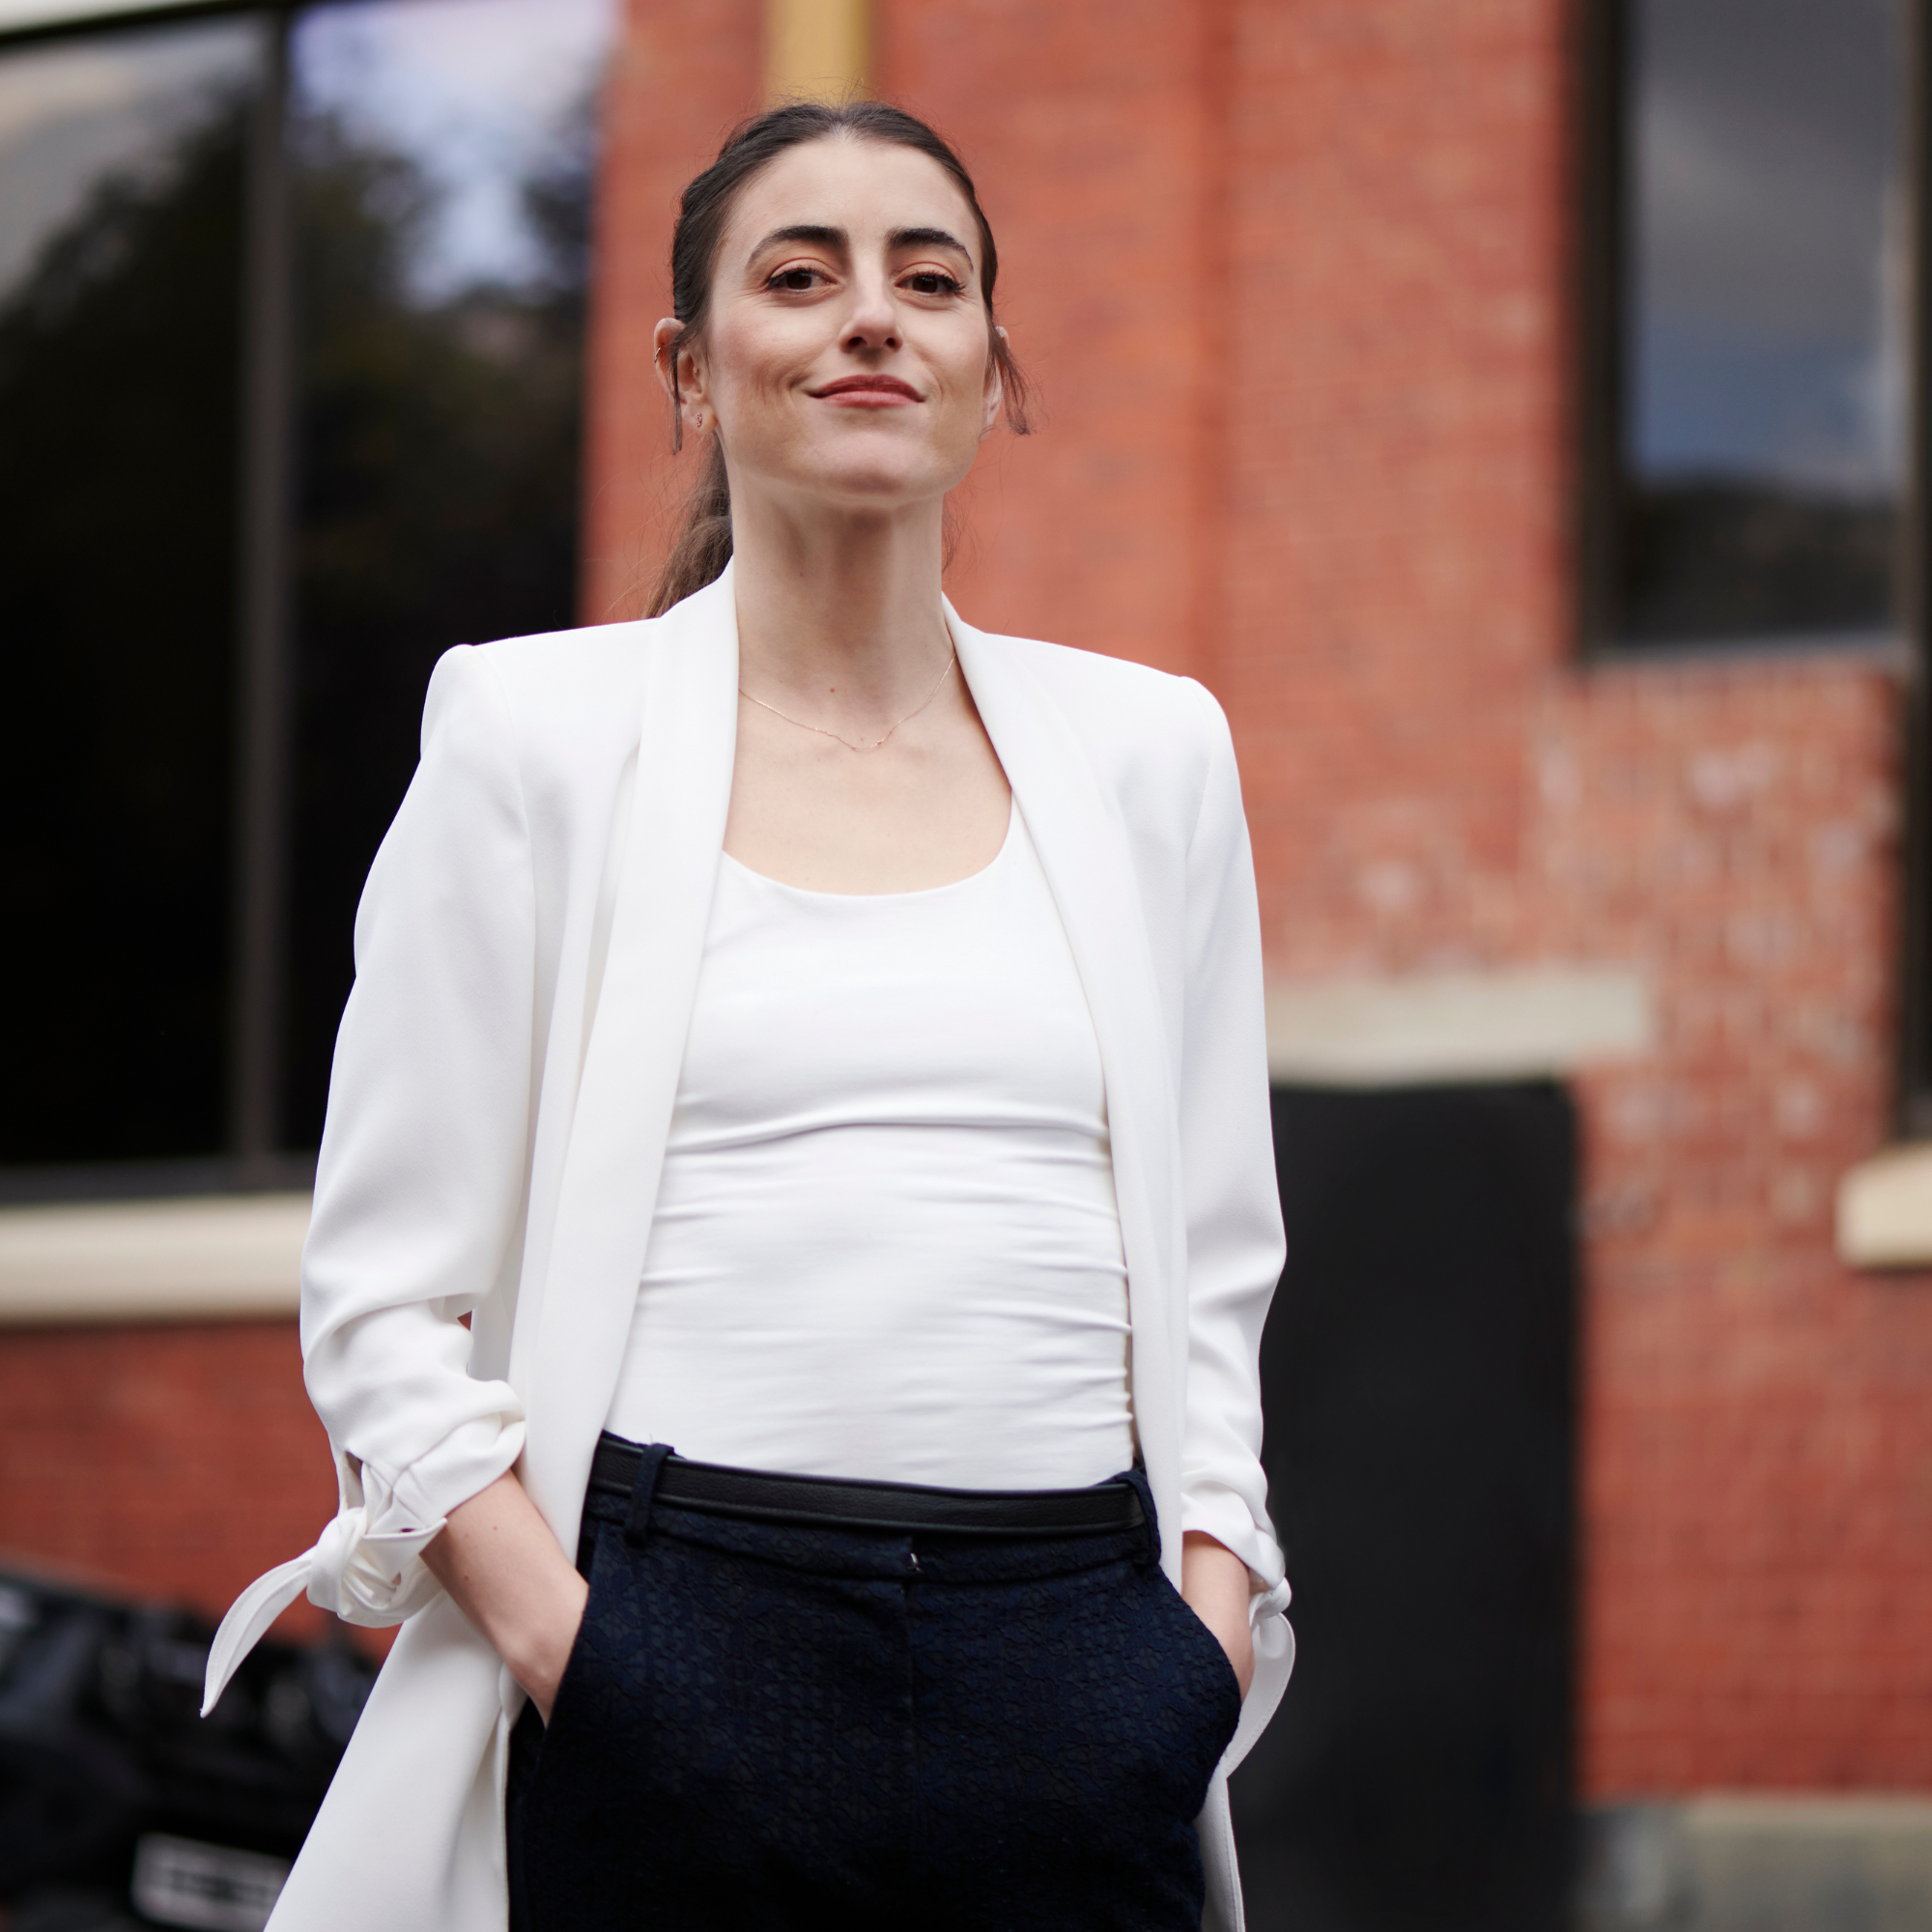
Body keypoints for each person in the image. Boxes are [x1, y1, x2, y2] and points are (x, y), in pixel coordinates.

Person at [203, 99, 1293, 1932]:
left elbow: (1215, 1272)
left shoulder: (1153, 754)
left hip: (1086, 1669)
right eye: (800, 275)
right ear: (689, 366)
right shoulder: (532, 736)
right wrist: (583, 1656)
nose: (873, 315)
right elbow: (383, 1299)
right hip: (672, 1646)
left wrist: (1196, 1637)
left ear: (995, 366)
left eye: (928, 279)